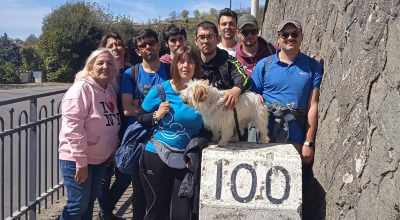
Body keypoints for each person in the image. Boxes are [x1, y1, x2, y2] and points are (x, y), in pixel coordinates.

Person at [250, 19, 323, 217]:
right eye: (285, 34)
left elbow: (312, 105)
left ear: (302, 37)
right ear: (278, 39)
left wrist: (309, 141)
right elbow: (251, 99)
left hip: (296, 140)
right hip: (265, 137)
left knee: (290, 194)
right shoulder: (264, 66)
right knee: (262, 190)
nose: (290, 38)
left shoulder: (313, 67)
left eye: (294, 34)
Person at [136, 46, 204, 220]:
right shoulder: (161, 90)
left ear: (196, 66)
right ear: (175, 65)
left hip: (186, 160)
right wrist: (156, 115)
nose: (186, 66)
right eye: (181, 61)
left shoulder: (203, 93)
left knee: (181, 214)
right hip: (156, 154)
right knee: (156, 212)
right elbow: (140, 117)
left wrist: (195, 153)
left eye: (190, 62)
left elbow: (209, 129)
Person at [58, 48, 120, 219]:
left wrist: (112, 150)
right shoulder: (80, 90)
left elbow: (111, 122)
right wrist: (81, 162)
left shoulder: (109, 91)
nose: (105, 67)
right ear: (91, 66)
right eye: (100, 63)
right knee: (77, 206)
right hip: (77, 160)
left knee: (88, 204)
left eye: (109, 63)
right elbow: (73, 129)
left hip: (99, 160)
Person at [120, 28, 170, 220]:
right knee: (139, 191)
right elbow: (126, 109)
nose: (148, 47)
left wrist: (138, 104)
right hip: (140, 139)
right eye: (143, 45)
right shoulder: (130, 74)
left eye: (151, 42)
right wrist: (156, 112)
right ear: (138, 50)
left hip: (166, 137)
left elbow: (175, 104)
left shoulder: (169, 71)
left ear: (159, 45)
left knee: (164, 189)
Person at [97, 32, 131, 220]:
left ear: (125, 48)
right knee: (104, 176)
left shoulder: (133, 71)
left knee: (125, 175)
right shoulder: (100, 73)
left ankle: (105, 211)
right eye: (110, 45)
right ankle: (106, 214)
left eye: (118, 44)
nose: (115, 48)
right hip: (105, 131)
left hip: (126, 130)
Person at [194, 21, 250, 111]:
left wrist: (236, 89)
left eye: (210, 37)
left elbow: (243, 79)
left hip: (223, 114)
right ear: (196, 41)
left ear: (218, 39)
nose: (206, 41)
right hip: (196, 114)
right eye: (202, 37)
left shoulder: (229, 61)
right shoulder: (191, 62)